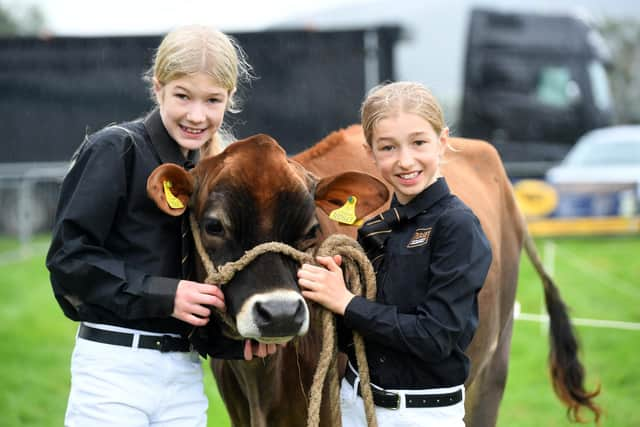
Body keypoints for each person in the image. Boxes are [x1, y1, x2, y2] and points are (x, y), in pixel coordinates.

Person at [46, 25, 276, 427]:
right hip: (114, 371)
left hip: (184, 376)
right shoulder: (115, 149)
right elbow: (69, 260)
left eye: (212, 100)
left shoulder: (213, 173)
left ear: (230, 99)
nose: (197, 115)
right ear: (158, 88)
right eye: (183, 96)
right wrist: (166, 294)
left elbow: (205, 282)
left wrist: (233, 340)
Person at [297, 81, 492, 426]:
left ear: (442, 142)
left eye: (418, 143)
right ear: (370, 153)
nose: (405, 161)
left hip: (421, 414)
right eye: (388, 148)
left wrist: (346, 303)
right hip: (356, 403)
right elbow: (358, 337)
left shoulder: (457, 226)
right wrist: (326, 294)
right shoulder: (376, 228)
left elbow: (436, 336)